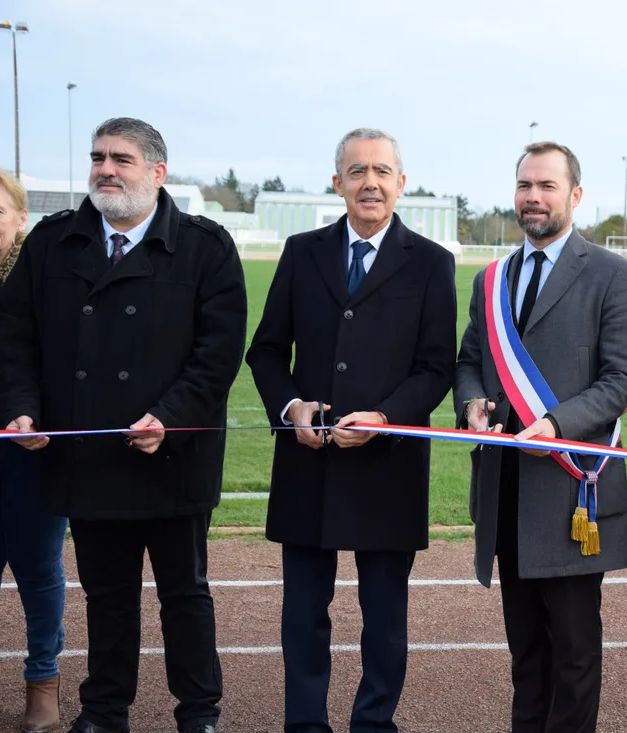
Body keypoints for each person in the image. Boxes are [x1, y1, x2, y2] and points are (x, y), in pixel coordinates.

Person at [0, 118, 248, 733]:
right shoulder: (52, 243)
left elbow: (218, 351)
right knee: (106, 595)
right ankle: (104, 711)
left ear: (157, 174)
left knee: (185, 595)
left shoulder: (206, 247)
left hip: (172, 457)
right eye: (99, 157)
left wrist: (172, 416)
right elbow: (14, 337)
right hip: (88, 456)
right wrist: (21, 406)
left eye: (122, 159)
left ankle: (199, 713)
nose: (106, 169)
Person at [246, 127, 457, 733]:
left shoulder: (432, 263)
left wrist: (386, 418)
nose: (371, 182)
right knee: (304, 612)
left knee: (384, 615)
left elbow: (436, 366)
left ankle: (374, 722)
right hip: (308, 461)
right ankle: (304, 724)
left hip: (387, 466)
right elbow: (264, 352)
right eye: (357, 171)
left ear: (401, 184)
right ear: (337, 183)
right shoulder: (301, 250)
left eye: (382, 171)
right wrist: (290, 409)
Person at [455, 141, 627, 733]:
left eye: (547, 186)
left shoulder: (613, 275)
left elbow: (623, 378)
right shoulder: (491, 280)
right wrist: (471, 405)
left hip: (571, 492)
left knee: (574, 655)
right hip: (507, 491)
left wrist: (558, 424)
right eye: (524, 186)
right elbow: (467, 362)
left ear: (576, 195)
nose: (533, 198)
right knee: (526, 655)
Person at [0, 167, 68, 733]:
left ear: (20, 219)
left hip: (32, 448)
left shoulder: (44, 282)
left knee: (39, 571)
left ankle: (43, 680)